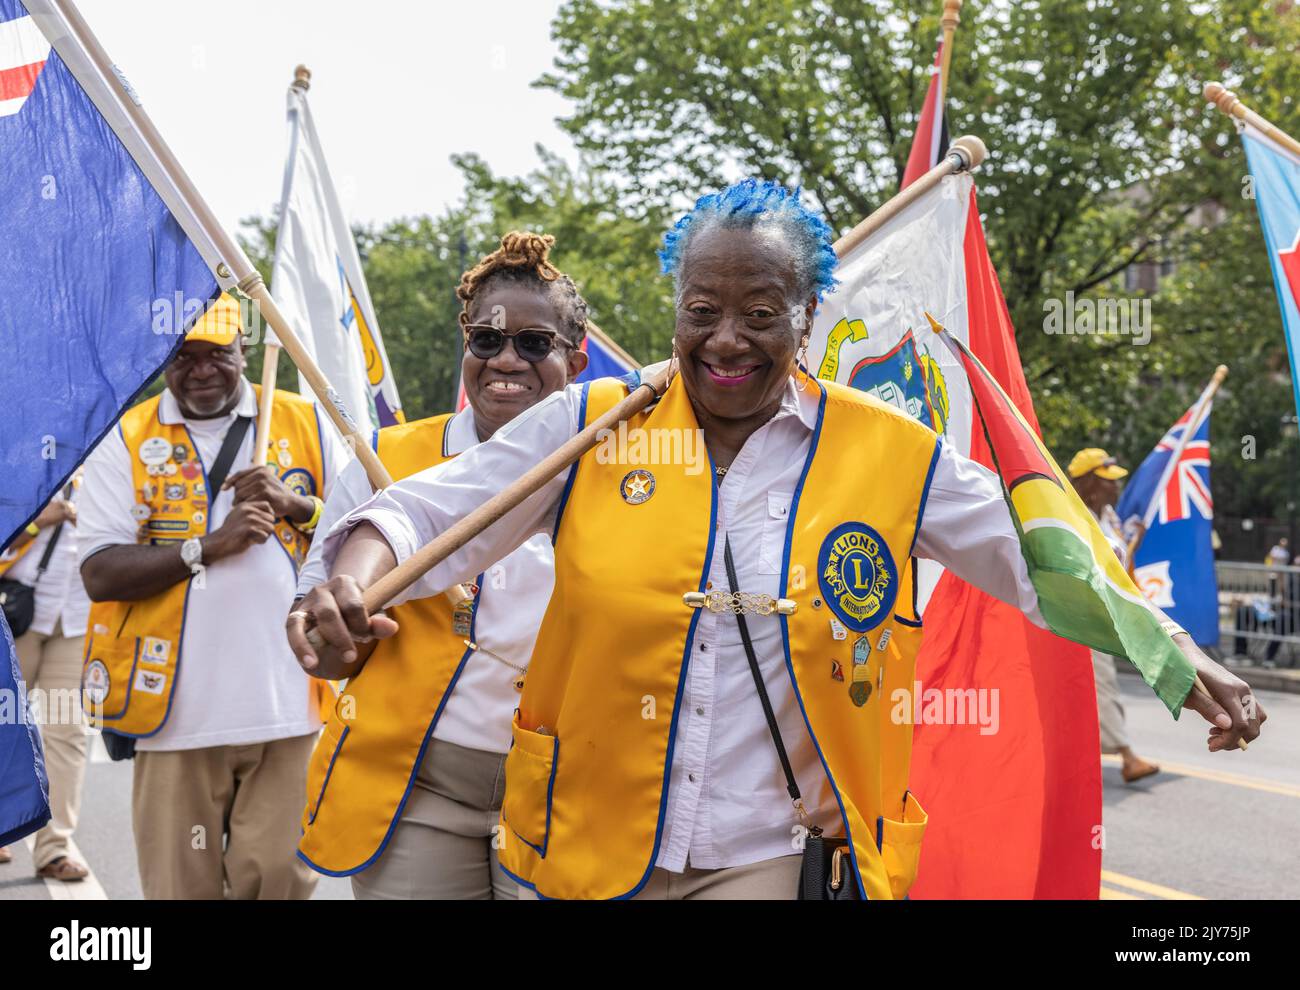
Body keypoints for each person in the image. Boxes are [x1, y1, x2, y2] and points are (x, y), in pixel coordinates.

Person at [290, 179, 1264, 901]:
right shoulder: (595, 425)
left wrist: (1173, 654)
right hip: (581, 847)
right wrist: (350, 585)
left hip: (763, 850)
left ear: (807, 317)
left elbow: (1039, 559)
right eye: (700, 311)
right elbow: (425, 514)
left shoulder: (891, 454)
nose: (725, 341)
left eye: (760, 315)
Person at [294, 232, 589, 899]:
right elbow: (324, 651)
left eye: (535, 343)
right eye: (486, 340)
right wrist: (338, 636)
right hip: (415, 790)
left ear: (578, 357)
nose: (506, 359)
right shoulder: (386, 460)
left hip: (568, 792)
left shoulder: (619, 470)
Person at [77, 293, 349, 899]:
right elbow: (99, 571)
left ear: (243, 349)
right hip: (174, 716)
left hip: (290, 706)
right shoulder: (127, 435)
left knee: (278, 878)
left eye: (216, 355)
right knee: (181, 887)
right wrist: (208, 546)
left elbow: (362, 530)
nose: (200, 370)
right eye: (184, 356)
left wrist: (295, 504)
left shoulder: (304, 421)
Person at [0, 479, 90, 879]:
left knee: (67, 731)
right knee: (6, 726)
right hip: (19, 618)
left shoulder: (110, 465)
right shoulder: (22, 461)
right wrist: (39, 523)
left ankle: (55, 848)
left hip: (77, 619)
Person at [1067, 448, 1160, 783]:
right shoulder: (1074, 514)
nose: (1115, 488)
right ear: (1089, 483)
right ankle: (1126, 755)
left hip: (1106, 614)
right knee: (1100, 683)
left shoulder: (1107, 516)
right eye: (1108, 482)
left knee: (1080, 690)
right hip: (1084, 615)